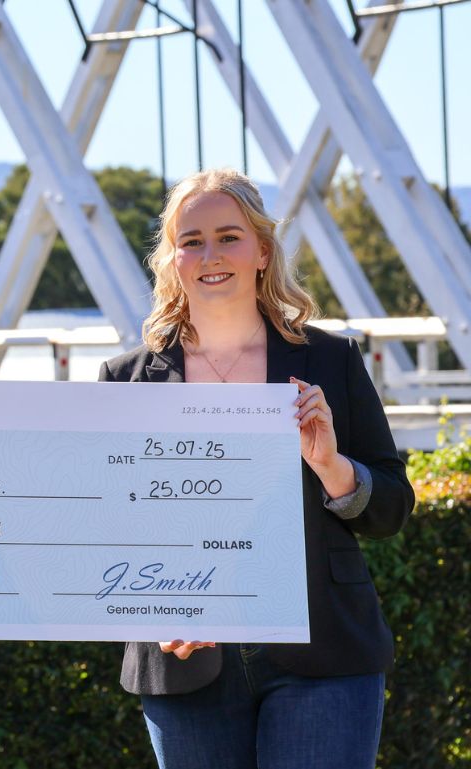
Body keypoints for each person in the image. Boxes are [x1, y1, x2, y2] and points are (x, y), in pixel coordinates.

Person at [99, 168, 413, 769]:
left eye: (229, 237)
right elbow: (106, 524)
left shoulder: (330, 359)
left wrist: (331, 466)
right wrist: (151, 608)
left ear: (263, 251)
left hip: (324, 652)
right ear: (172, 260)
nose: (210, 255)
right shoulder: (125, 380)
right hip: (185, 662)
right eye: (191, 241)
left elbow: (392, 508)